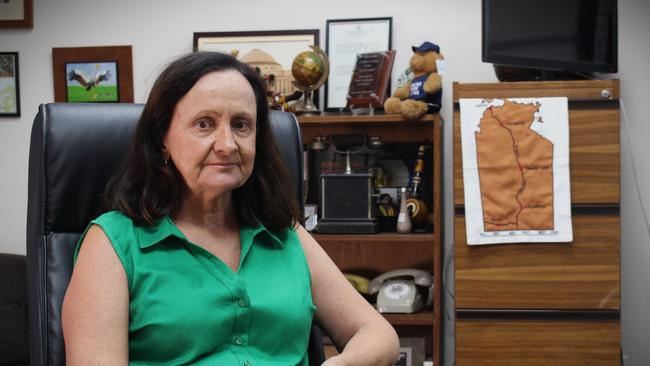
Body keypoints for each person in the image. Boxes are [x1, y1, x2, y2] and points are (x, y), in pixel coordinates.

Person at [62, 51, 399, 366]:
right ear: (162, 138)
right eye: (204, 124)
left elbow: (377, 333)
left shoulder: (283, 232)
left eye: (241, 125)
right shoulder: (113, 243)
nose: (226, 145)